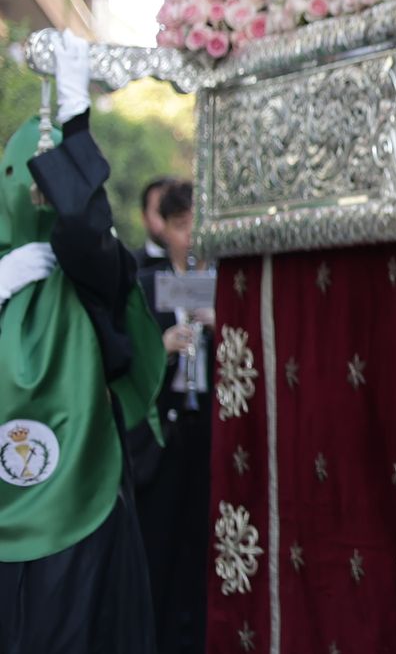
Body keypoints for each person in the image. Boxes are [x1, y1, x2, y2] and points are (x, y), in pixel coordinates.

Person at [0, 30, 165, 653]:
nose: (40, 198)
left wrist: (75, 120)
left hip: (81, 513)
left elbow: (82, 231)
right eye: (30, 184)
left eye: (54, 185)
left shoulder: (92, 273)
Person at [133, 179, 213, 654]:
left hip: (210, 428)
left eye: (197, 225)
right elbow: (126, 360)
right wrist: (160, 348)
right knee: (158, 548)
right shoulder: (150, 284)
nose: (191, 236)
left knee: (199, 548)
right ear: (166, 230)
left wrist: (219, 321)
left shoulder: (222, 283)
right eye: (182, 226)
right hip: (164, 432)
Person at [133, 178, 175, 275]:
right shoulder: (128, 267)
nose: (167, 221)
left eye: (174, 213)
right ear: (144, 217)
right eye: (161, 212)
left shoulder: (204, 267)